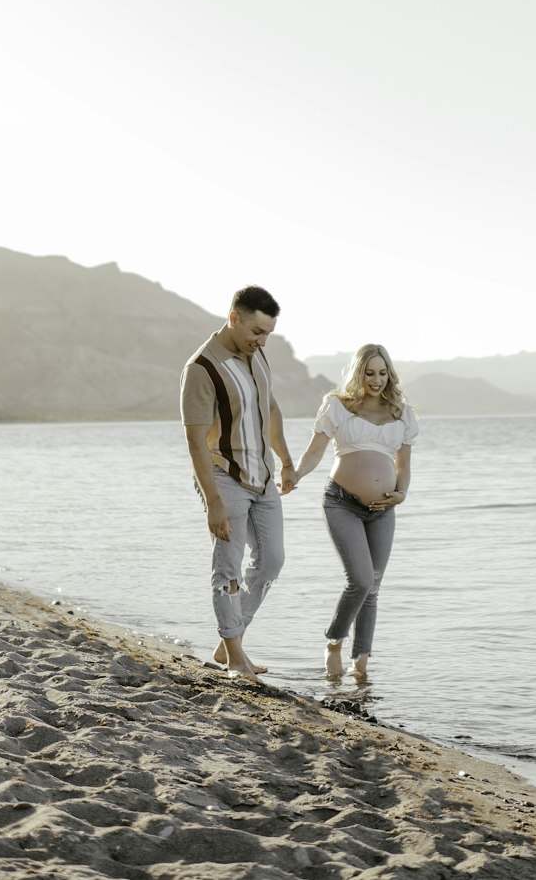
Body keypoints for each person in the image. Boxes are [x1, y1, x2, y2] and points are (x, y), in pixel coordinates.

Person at [179, 285, 297, 681]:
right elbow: (194, 440)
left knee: (271, 561)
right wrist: (213, 502)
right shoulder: (202, 367)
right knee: (228, 569)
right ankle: (234, 657)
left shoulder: (256, 354)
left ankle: (231, 638)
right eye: (257, 332)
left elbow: (271, 408)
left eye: (268, 333)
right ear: (234, 318)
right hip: (224, 478)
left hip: (262, 479)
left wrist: (285, 461)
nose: (262, 341)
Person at [295, 343, 418, 681]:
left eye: (382, 373)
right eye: (369, 372)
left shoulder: (401, 413)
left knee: (373, 587)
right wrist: (294, 475)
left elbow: (403, 465)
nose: (376, 380)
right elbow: (315, 451)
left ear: (389, 375)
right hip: (342, 502)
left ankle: (361, 663)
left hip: (383, 510)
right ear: (358, 372)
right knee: (360, 580)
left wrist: (401, 495)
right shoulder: (338, 406)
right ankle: (334, 641)